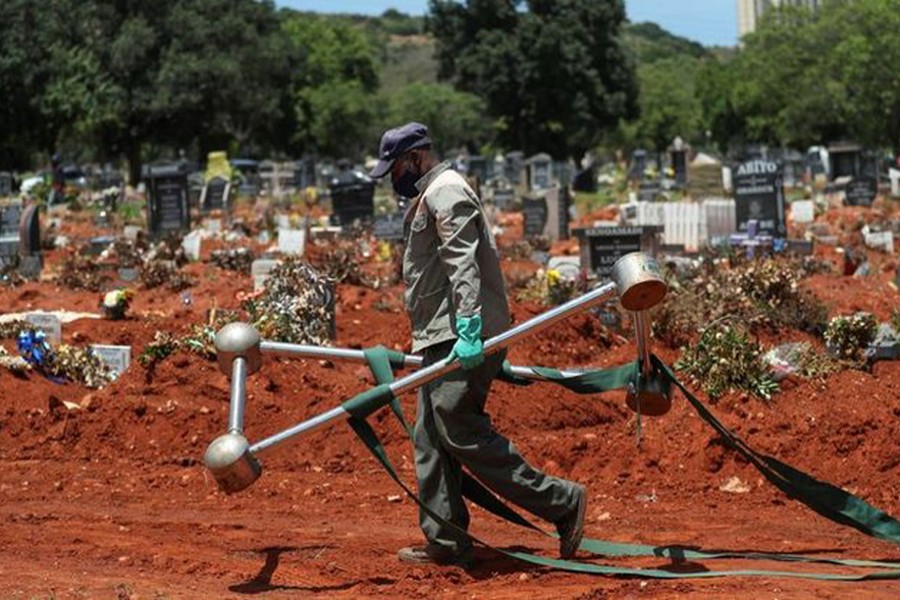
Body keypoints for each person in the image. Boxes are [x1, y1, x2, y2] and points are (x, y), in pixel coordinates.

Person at [368, 122, 587, 568]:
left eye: (394, 169)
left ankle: (561, 502)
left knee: (459, 427)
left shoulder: (446, 191)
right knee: (430, 438)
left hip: (460, 334)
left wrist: (469, 327)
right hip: (439, 335)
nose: (393, 180)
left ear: (415, 158)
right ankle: (446, 540)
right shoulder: (429, 193)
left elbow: (461, 261)